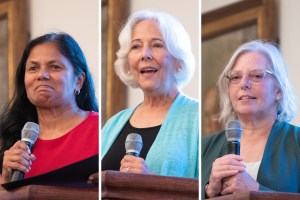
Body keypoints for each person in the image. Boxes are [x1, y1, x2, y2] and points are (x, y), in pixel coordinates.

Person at [101, 10, 199, 178]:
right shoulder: (112, 124)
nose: (144, 54)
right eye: (136, 46)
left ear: (178, 61)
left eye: (157, 45)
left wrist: (152, 184)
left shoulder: (197, 116)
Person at [202, 40, 300, 198]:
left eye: (256, 75)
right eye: (235, 77)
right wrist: (209, 191)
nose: (243, 84)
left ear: (279, 90)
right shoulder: (204, 147)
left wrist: (258, 192)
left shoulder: (297, 142)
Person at [0, 32, 99, 184]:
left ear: (79, 81)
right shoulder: (12, 141)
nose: (41, 75)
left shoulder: (101, 130)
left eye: (54, 67)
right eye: (33, 68)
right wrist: (6, 180)